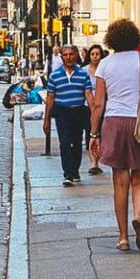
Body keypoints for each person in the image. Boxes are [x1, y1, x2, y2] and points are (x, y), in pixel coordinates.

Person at [89, 18, 140, 253]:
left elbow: (99, 104)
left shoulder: (105, 65)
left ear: (111, 39)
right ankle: (138, 217)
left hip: (114, 122)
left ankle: (122, 237)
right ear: (135, 37)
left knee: (120, 183)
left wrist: (94, 133)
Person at [44, 45, 94, 186]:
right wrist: (46, 119)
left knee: (77, 142)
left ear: (76, 55)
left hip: (79, 111)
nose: (68, 57)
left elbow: (88, 95)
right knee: (65, 142)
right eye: (65, 55)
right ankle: (67, 173)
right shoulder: (55, 75)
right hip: (62, 112)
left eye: (71, 54)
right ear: (61, 57)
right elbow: (50, 98)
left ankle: (75, 170)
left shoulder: (83, 74)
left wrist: (93, 113)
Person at [82, 44, 106, 174]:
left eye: (97, 54)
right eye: (93, 54)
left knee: (101, 133)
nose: (95, 56)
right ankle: (93, 162)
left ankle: (98, 159)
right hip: (87, 106)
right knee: (90, 132)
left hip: (102, 105)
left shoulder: (104, 69)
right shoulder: (84, 70)